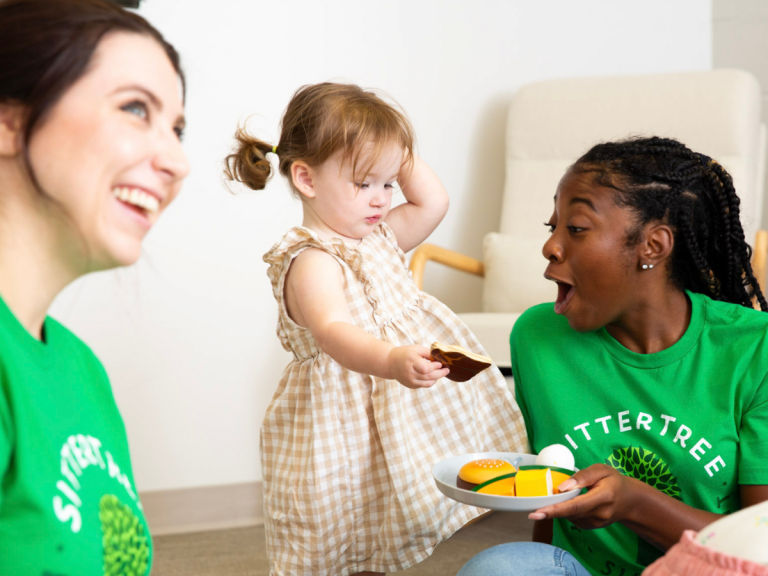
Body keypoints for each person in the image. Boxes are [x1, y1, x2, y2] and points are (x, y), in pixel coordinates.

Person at [224, 82, 528, 576]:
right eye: (365, 182)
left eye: (389, 183)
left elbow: (434, 202)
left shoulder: (380, 236)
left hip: (392, 412)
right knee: (342, 531)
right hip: (341, 417)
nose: (382, 199)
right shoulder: (313, 259)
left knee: (381, 524)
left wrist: (393, 152)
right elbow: (332, 331)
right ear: (306, 178)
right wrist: (390, 359)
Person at [457, 136, 768, 576]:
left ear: (653, 246)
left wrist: (636, 503)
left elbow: (760, 544)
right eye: (554, 228)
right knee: (502, 567)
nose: (550, 246)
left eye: (577, 228)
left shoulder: (755, 349)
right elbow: (551, 493)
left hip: (715, 570)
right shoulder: (538, 337)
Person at [0, 0, 189, 574]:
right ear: (11, 121)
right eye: (135, 108)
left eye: (177, 128)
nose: (178, 160)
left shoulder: (81, 369)